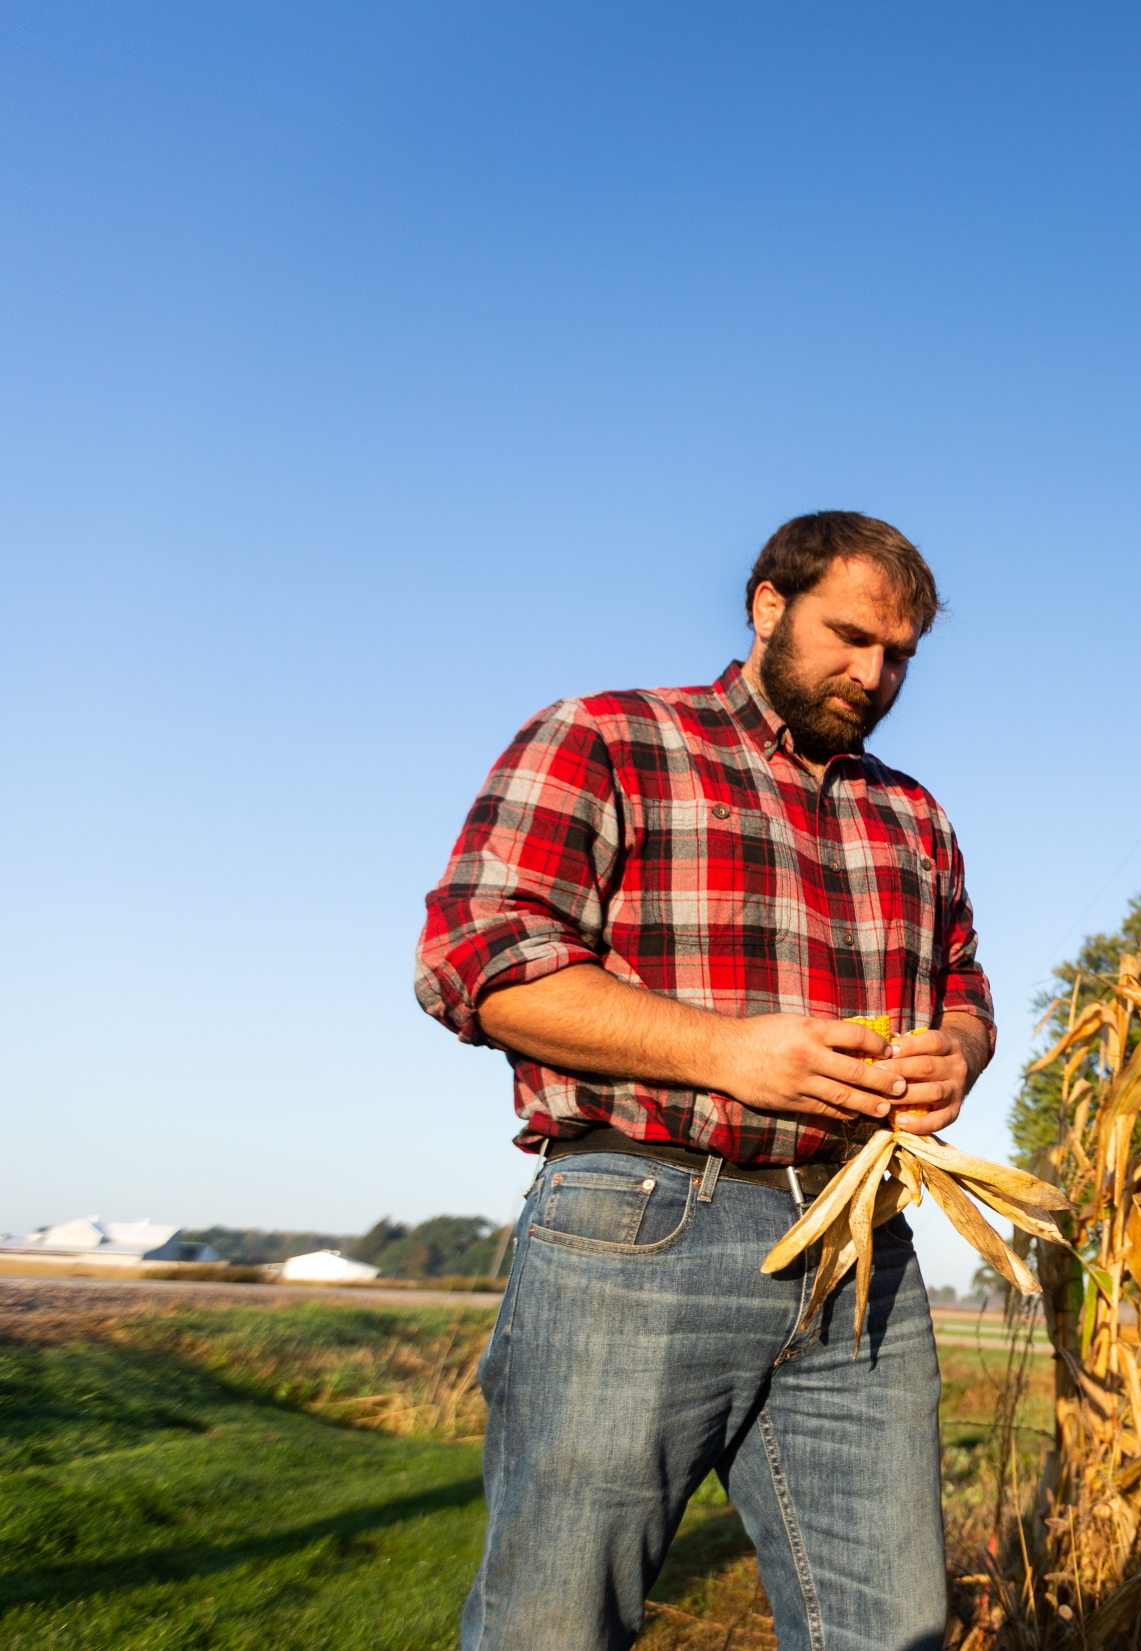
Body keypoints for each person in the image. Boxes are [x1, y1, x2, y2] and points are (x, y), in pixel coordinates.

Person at [415, 511, 992, 1651]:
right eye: (850, 636)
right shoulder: (609, 738)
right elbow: (472, 962)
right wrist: (726, 1050)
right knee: (554, 1627)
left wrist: (958, 1053)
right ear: (767, 604)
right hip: (641, 1225)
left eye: (899, 656)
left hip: (859, 1244)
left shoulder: (913, 812)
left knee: (893, 1632)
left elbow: (964, 986)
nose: (873, 675)